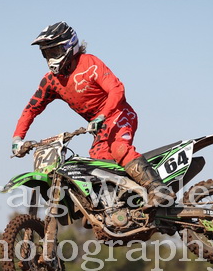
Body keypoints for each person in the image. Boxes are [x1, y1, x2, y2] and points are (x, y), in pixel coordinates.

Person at [11, 21, 174, 208]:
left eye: (54, 51)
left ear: (69, 46)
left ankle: (158, 188)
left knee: (119, 148)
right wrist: (17, 139)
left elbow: (117, 89)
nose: (51, 58)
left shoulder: (89, 64)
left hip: (118, 114)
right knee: (98, 167)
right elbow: (31, 109)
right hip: (100, 127)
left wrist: (102, 116)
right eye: (47, 53)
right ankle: (122, 205)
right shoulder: (51, 81)